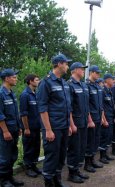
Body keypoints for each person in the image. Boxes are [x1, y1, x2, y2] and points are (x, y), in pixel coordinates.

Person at [37, 53, 73, 187]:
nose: (67, 66)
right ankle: (48, 182)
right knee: (52, 156)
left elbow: (67, 106)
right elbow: (42, 108)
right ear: (59, 64)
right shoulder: (46, 82)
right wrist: (48, 130)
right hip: (53, 127)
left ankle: (57, 180)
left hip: (64, 126)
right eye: (66, 63)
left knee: (61, 154)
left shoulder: (64, 83)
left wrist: (69, 124)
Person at [0, 69, 24, 187]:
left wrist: (19, 127)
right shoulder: (1, 94)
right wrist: (5, 131)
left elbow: (16, 112)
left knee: (13, 155)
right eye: (14, 77)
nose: (16, 79)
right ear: (6, 78)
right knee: (5, 157)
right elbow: (0, 115)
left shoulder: (11, 93)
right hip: (6, 131)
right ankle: (3, 181)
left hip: (14, 129)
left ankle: (10, 178)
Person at [66, 62, 89, 183]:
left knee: (81, 147)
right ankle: (71, 173)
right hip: (75, 122)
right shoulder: (69, 85)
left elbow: (86, 106)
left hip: (84, 121)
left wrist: (89, 120)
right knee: (74, 148)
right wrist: (71, 124)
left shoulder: (84, 85)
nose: (84, 70)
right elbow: (68, 107)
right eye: (82, 69)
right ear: (75, 70)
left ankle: (77, 170)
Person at [19, 74, 41, 178]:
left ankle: (34, 165)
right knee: (29, 148)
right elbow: (23, 114)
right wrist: (26, 128)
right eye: (37, 80)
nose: (38, 81)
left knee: (36, 147)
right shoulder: (25, 95)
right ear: (30, 81)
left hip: (37, 127)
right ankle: (28, 168)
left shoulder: (35, 93)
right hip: (29, 128)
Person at [85, 65, 105, 172]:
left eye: (99, 73)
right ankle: (87, 164)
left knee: (96, 140)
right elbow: (86, 105)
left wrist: (102, 117)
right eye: (96, 73)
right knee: (90, 141)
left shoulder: (97, 86)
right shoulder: (86, 85)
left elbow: (100, 105)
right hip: (91, 119)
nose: (98, 75)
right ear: (91, 72)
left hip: (98, 118)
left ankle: (92, 160)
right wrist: (89, 120)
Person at [99, 73, 115, 164]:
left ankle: (106, 154)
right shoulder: (102, 91)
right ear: (107, 80)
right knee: (104, 136)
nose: (113, 81)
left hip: (110, 116)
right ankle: (102, 156)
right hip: (105, 118)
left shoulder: (109, 91)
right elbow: (101, 107)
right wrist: (103, 119)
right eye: (112, 79)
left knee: (109, 136)